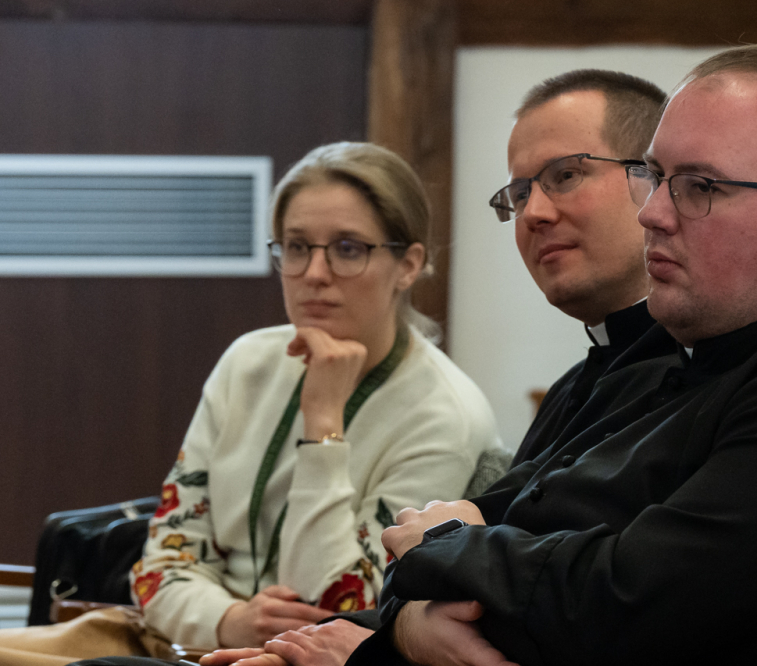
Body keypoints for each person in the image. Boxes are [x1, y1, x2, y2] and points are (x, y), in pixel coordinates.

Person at [351, 45, 757, 666]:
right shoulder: (704, 355)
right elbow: (507, 524)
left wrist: (439, 563)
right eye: (656, 177)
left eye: (698, 186)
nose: (652, 214)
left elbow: (612, 613)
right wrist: (412, 613)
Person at [194, 69, 670, 666]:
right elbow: (167, 553)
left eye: (565, 175)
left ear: (656, 184)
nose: (533, 213)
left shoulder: (690, 376)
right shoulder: (577, 384)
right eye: (520, 192)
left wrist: (387, 639)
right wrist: (232, 623)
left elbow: (413, 587)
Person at [0, 141, 502, 666]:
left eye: (348, 248)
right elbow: (159, 565)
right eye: (297, 246)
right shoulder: (248, 361)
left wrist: (323, 427)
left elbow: (342, 611)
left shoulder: (443, 415)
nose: (314, 273)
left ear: (408, 265)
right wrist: (227, 619)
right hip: (172, 635)